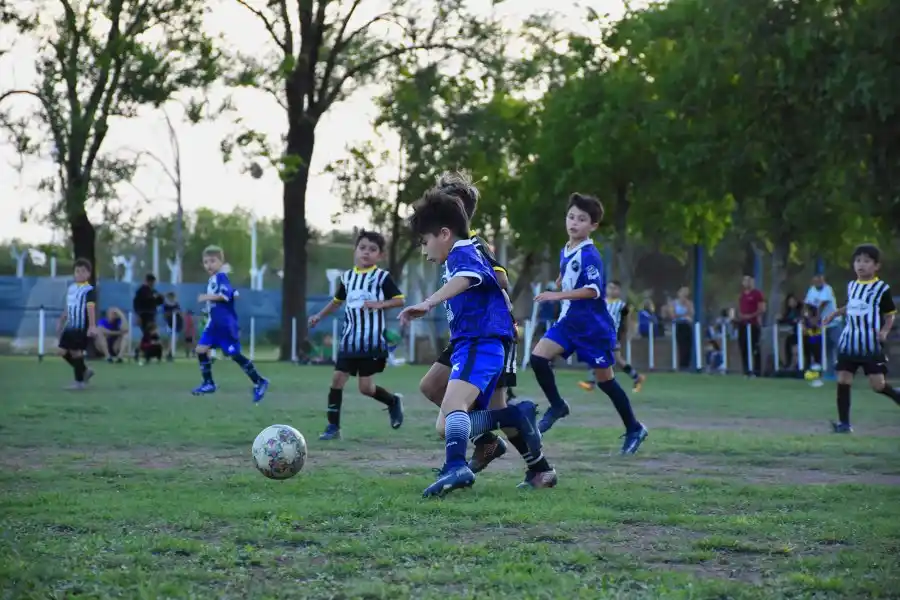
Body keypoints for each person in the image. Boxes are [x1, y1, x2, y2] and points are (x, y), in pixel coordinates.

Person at [399, 187, 544, 498]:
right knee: (447, 424)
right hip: (472, 341)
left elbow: (470, 279)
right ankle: (512, 418)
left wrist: (429, 302)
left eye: (425, 242)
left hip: (483, 339)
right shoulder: (460, 252)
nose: (425, 251)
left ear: (445, 233)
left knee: (454, 407)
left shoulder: (465, 250)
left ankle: (456, 468)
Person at [530, 193, 648, 455]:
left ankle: (634, 428)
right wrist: (561, 279)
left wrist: (556, 294)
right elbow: (567, 270)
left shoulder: (591, 255)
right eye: (571, 217)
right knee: (538, 358)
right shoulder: (567, 248)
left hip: (593, 328)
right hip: (569, 323)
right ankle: (558, 405)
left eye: (582, 220)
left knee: (605, 381)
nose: (574, 223)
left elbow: (593, 290)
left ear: (593, 226)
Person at [308, 229, 406, 440]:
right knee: (337, 379)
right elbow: (336, 302)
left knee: (365, 388)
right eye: (362, 248)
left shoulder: (381, 277)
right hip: (349, 340)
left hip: (371, 342)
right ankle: (333, 428)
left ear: (380, 255)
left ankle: (392, 401)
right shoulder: (347, 277)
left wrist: (380, 304)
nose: (366, 253)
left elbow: (400, 300)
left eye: (372, 249)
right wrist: (318, 316)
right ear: (355, 251)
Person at [821, 244, 900, 432]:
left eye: (866, 261)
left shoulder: (881, 288)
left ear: (876, 266)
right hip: (848, 342)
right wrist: (834, 314)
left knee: (878, 385)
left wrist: (884, 331)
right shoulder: (852, 286)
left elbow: (890, 314)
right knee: (843, 379)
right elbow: (852, 305)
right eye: (858, 261)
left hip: (869, 344)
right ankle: (844, 425)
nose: (861, 265)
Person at [192, 245, 269, 402]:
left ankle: (259, 381)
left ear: (221, 262)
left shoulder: (221, 276)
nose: (209, 265)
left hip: (225, 324)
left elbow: (224, 295)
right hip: (214, 324)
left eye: (212, 261)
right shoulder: (214, 279)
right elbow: (230, 293)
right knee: (200, 350)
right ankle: (208, 383)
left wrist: (207, 297)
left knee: (233, 354)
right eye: (206, 262)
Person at [578, 280, 647, 392]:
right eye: (610, 288)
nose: (611, 290)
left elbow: (629, 320)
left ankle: (591, 383)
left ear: (618, 291)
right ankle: (637, 377)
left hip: (611, 336)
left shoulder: (622, 305)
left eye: (614, 288)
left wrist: (630, 332)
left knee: (598, 355)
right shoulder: (602, 302)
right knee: (616, 359)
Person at [56, 258, 97, 390]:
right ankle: (84, 370)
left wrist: (92, 325)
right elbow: (68, 307)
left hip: (80, 326)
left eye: (83, 271)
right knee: (62, 351)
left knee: (76, 352)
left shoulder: (88, 289)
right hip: (69, 325)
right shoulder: (71, 288)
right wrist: (61, 320)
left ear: (88, 274)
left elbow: (90, 308)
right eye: (77, 271)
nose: (80, 274)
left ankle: (79, 382)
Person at [805, 273, 839, 373]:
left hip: (833, 323)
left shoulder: (827, 289)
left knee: (838, 346)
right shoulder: (811, 290)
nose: (818, 282)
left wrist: (816, 318)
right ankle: (829, 372)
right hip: (822, 326)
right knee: (826, 349)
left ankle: (843, 369)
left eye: (820, 280)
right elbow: (808, 305)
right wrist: (809, 318)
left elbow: (822, 305)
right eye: (816, 281)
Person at [737, 275, 766, 376]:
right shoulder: (742, 295)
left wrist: (751, 316)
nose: (746, 282)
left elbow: (762, 309)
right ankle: (746, 370)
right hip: (743, 324)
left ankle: (757, 370)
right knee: (743, 346)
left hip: (753, 324)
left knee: (754, 347)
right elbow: (740, 309)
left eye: (748, 280)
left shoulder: (757, 294)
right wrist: (741, 316)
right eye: (745, 280)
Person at [132, 273, 162, 361]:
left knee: (148, 334)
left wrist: (159, 297)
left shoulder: (153, 291)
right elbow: (136, 304)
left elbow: (159, 302)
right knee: (147, 334)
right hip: (143, 316)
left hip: (151, 315)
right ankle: (141, 350)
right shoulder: (141, 291)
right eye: (152, 282)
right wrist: (138, 316)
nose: (153, 284)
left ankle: (142, 351)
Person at [668, 286, 694, 370]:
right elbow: (672, 315)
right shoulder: (674, 303)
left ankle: (687, 364)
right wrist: (683, 315)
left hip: (687, 325)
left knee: (688, 345)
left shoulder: (689, 303)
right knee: (681, 345)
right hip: (679, 325)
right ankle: (681, 365)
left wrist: (687, 307)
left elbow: (691, 314)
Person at [779, 294, 802, 370]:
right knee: (788, 346)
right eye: (790, 301)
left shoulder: (799, 310)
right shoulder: (788, 312)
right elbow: (784, 320)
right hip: (789, 334)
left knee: (795, 349)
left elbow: (797, 320)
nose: (791, 303)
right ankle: (788, 364)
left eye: (793, 301)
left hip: (798, 334)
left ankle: (798, 364)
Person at [162, 292, 184, 361]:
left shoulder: (177, 304)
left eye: (173, 297)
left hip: (177, 324)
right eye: (170, 297)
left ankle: (170, 353)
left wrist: (178, 313)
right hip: (170, 324)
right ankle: (169, 353)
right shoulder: (166, 305)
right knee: (171, 339)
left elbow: (181, 314)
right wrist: (172, 313)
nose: (172, 298)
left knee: (174, 339)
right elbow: (165, 315)